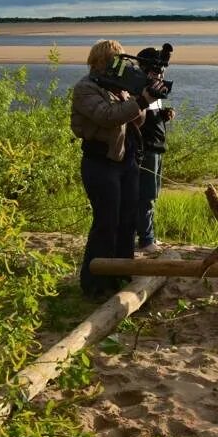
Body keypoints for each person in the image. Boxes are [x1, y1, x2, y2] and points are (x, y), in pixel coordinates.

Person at [71, 39, 165, 300]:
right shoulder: (85, 89)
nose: (122, 65)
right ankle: (95, 283)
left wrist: (142, 98)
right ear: (103, 61)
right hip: (100, 163)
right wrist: (141, 100)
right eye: (118, 59)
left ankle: (121, 273)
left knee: (127, 220)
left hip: (125, 161)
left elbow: (136, 118)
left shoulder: (117, 87)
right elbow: (107, 117)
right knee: (106, 222)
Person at [135, 47, 175, 254]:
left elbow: (151, 115)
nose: (159, 74)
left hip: (157, 147)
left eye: (161, 70)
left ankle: (146, 235)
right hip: (147, 149)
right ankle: (145, 239)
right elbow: (136, 117)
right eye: (155, 69)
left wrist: (164, 114)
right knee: (146, 195)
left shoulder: (154, 89)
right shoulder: (140, 89)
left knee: (152, 194)